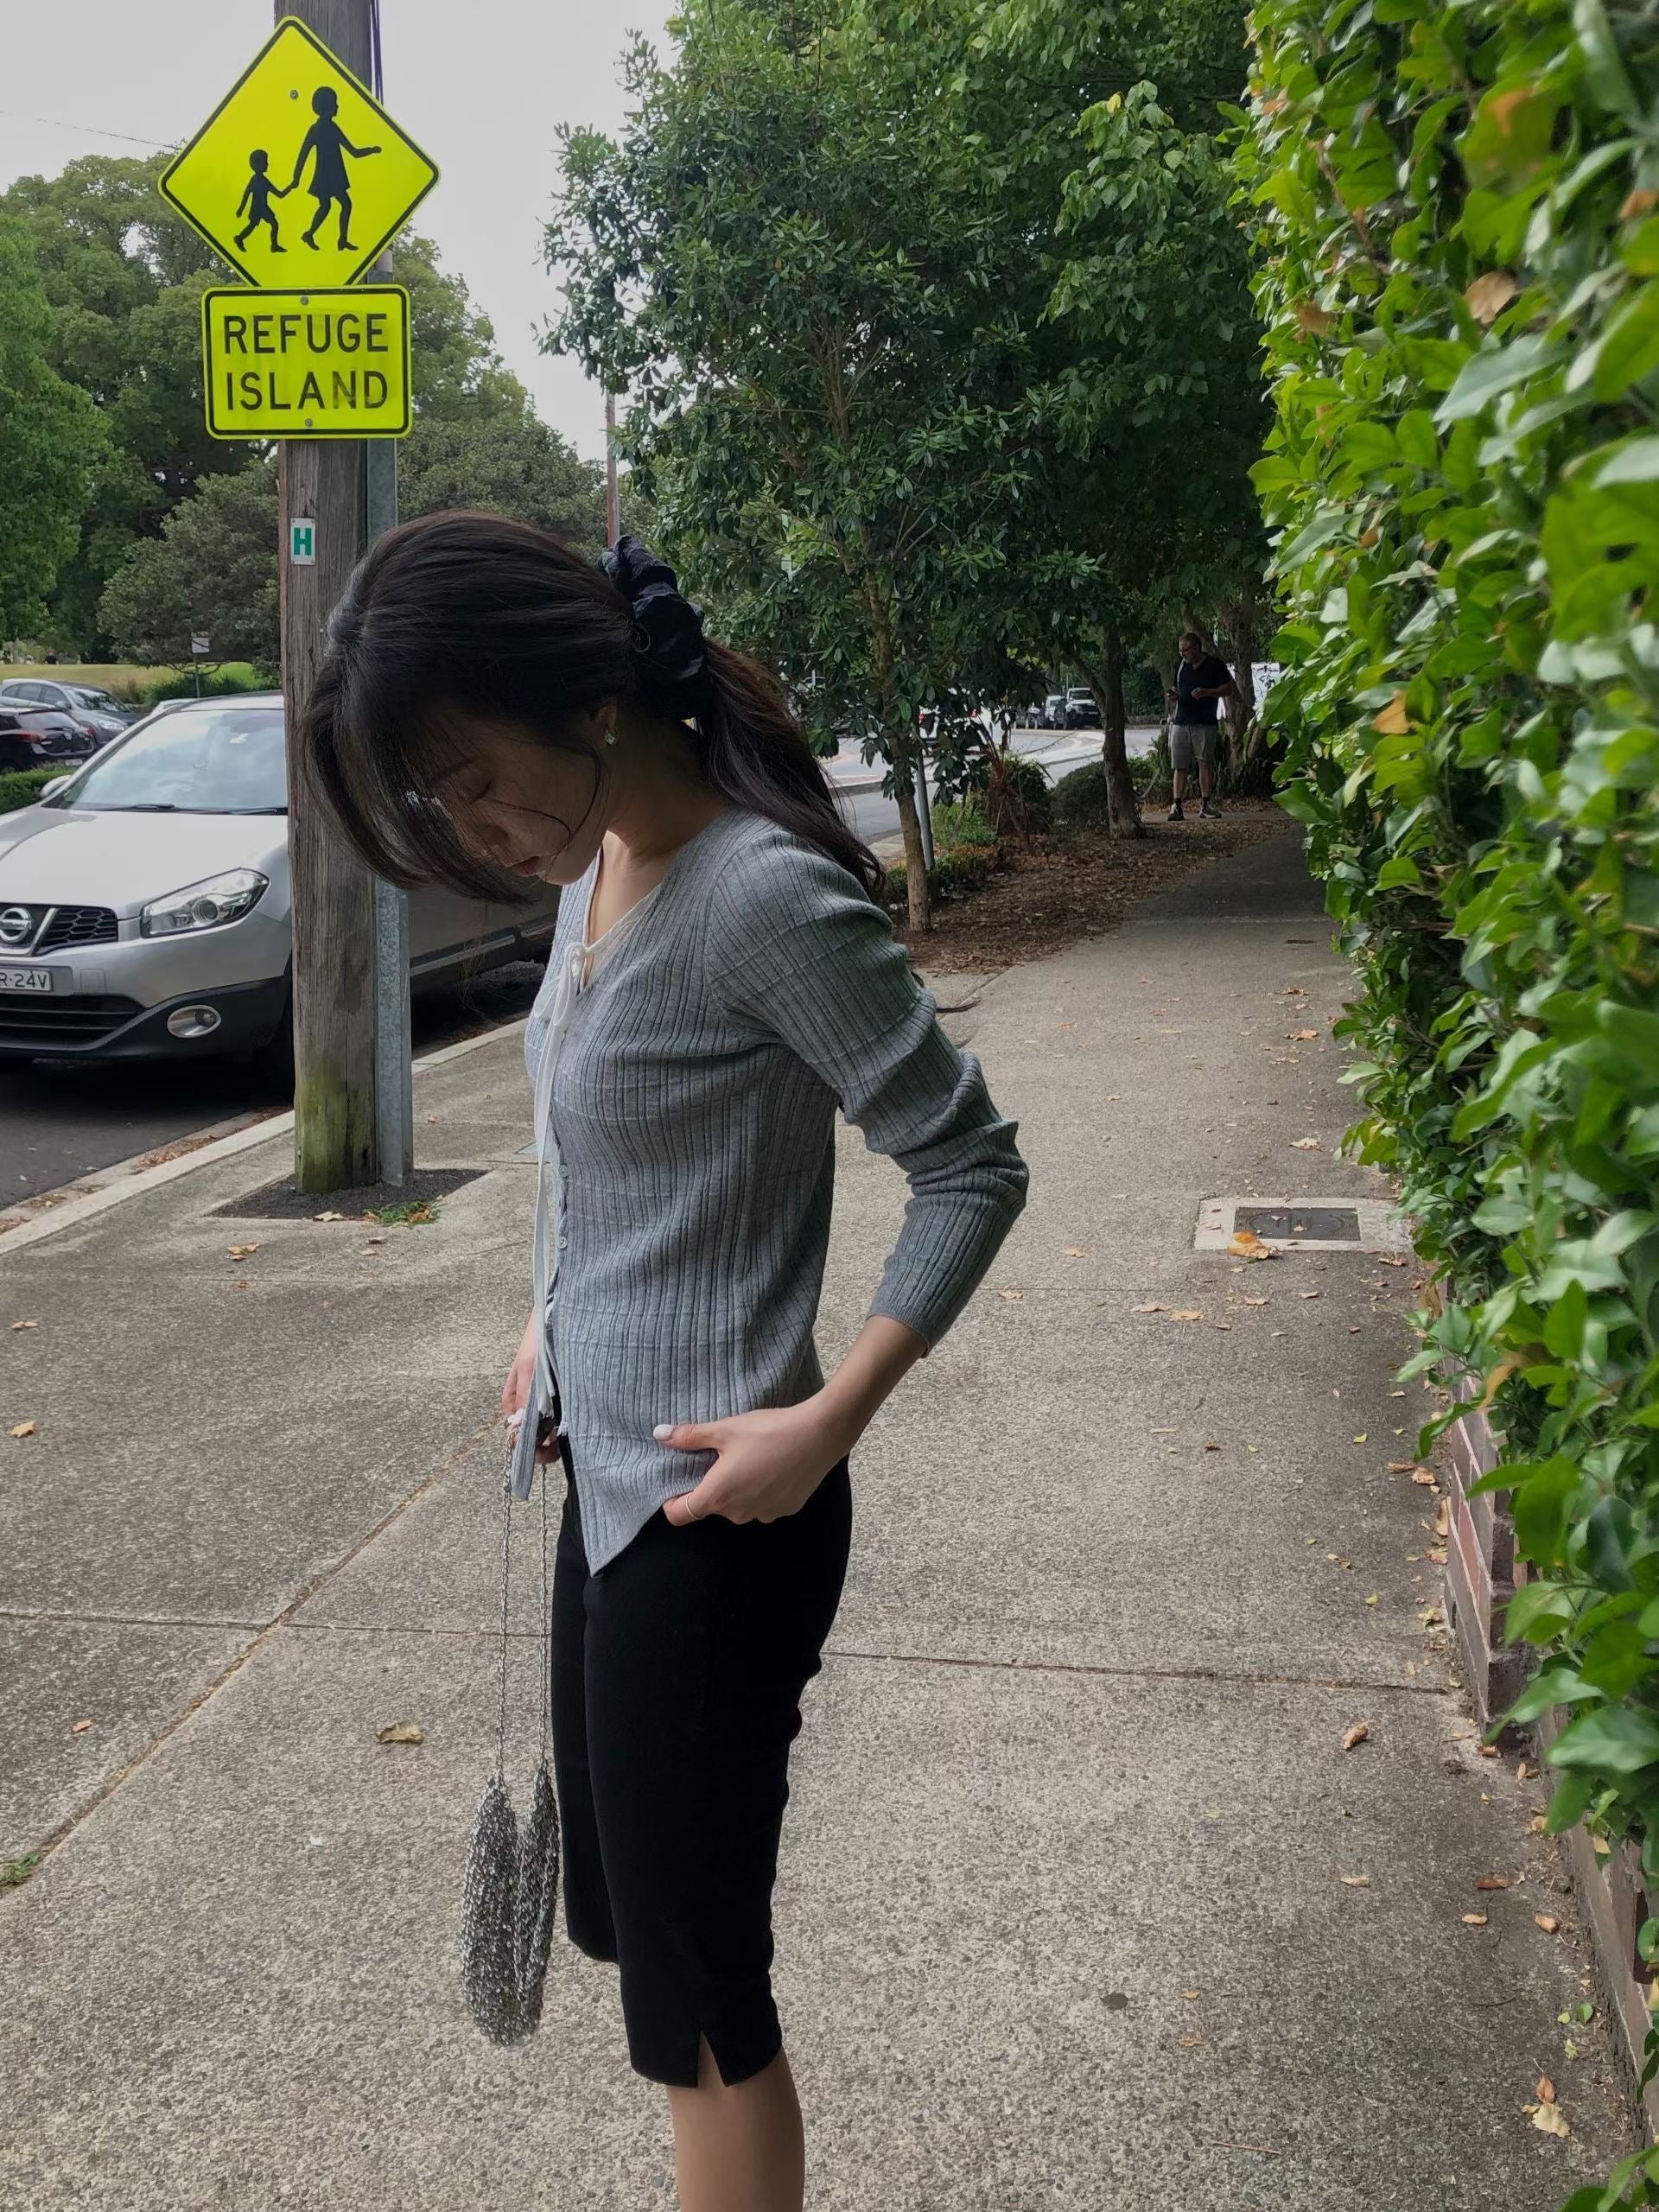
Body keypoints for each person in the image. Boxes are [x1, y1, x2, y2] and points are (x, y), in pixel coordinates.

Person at [297, 513, 1029, 2212]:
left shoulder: (759, 897)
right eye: (440, 808)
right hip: (615, 1492)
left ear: (590, 700)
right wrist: (557, 1318)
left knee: (701, 2003)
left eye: (477, 782)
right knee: (633, 1930)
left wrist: (827, 1418)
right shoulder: (595, 878)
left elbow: (971, 1165)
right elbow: (611, 1151)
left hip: (721, 1522)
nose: (478, 832)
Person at [283, 86, 379, 253]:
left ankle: (323, 237)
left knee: (332, 205)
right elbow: (304, 154)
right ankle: (323, 237)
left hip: (331, 175)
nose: (337, 107)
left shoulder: (325, 128)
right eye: (335, 103)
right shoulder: (323, 128)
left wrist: (371, 150)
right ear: (327, 106)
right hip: (329, 176)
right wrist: (296, 178)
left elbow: (353, 152)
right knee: (341, 204)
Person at [1164, 631, 1239, 821]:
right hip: (1181, 721)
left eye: (1186, 650)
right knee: (1179, 765)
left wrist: (1207, 692)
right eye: (1180, 651)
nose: (1183, 654)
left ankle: (1206, 804)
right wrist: (1172, 696)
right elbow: (1175, 687)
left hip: (1205, 722)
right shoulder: (1181, 666)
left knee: (1204, 763)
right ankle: (1177, 805)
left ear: (1197, 647)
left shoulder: (1215, 665)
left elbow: (1228, 688)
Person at [234, 149, 285, 252]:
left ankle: (274, 246)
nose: (267, 164)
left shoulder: (264, 180)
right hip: (258, 209)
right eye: (265, 162)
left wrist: (290, 187)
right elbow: (247, 194)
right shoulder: (257, 180)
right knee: (256, 225)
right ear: (258, 165)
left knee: (272, 224)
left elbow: (279, 194)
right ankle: (239, 238)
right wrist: (241, 209)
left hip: (263, 207)